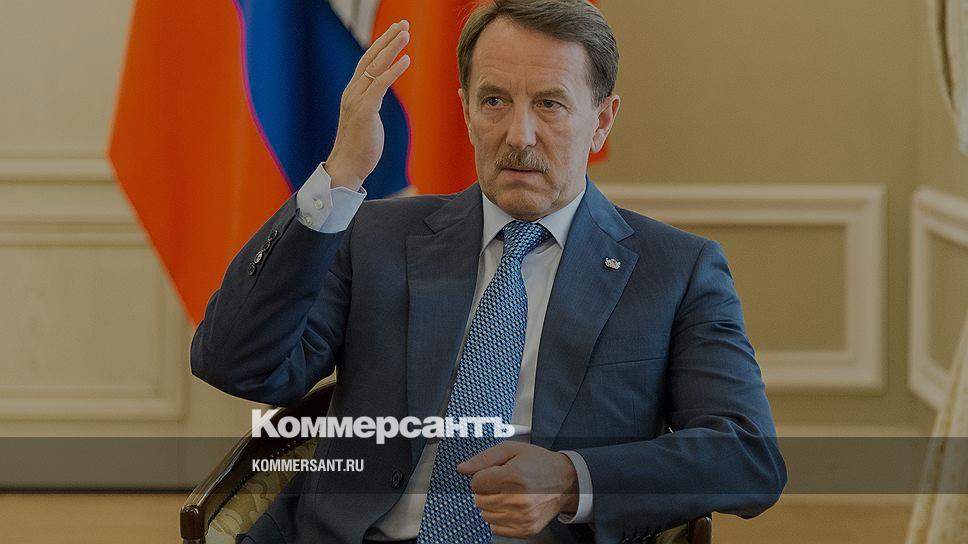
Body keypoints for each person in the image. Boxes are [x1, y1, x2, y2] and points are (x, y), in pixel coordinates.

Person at [190, 1, 787, 543]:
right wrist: (341, 176)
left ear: (603, 119)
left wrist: (571, 479)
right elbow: (237, 363)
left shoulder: (675, 271)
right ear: (466, 110)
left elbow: (748, 456)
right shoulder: (375, 237)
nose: (518, 136)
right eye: (495, 101)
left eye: (550, 104)